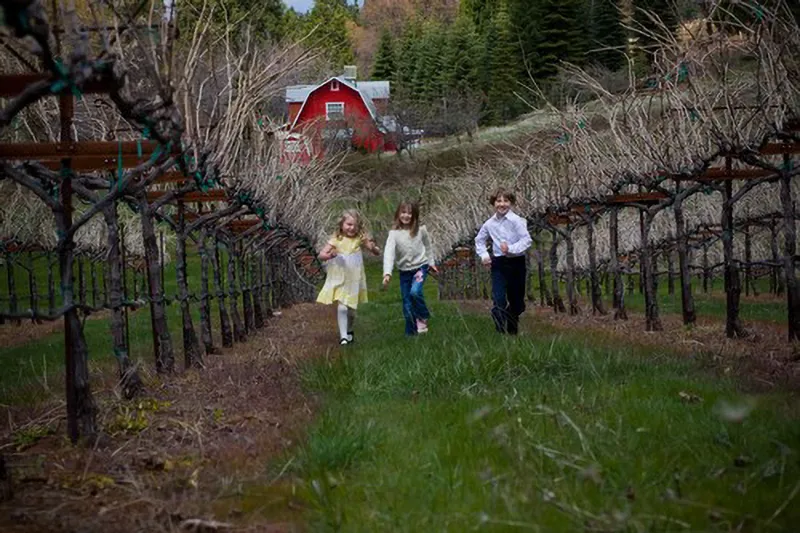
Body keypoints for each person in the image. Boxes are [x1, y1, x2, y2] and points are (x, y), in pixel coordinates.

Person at [317, 210, 380, 345]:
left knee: (351, 311)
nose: (351, 228)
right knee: (342, 307)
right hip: (340, 278)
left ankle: (349, 330)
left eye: (355, 225)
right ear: (342, 224)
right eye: (349, 224)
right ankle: (343, 337)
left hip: (354, 279)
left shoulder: (359, 238)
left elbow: (374, 250)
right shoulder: (336, 239)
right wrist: (330, 255)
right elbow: (321, 255)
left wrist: (374, 248)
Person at [474, 188, 532, 335]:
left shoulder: (517, 221)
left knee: (517, 302)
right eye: (498, 201)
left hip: (516, 263)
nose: (502, 204)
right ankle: (500, 331)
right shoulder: (489, 224)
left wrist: (511, 248)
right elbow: (479, 240)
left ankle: (512, 330)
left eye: (506, 201)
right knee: (498, 298)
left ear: (511, 203)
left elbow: (526, 240)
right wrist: (484, 256)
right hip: (499, 263)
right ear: (493, 203)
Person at [382, 201, 438, 336]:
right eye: (403, 212)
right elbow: (389, 253)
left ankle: (422, 315)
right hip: (404, 272)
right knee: (407, 304)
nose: (406, 216)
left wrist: (431, 263)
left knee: (415, 292)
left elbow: (428, 247)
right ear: (398, 214)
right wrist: (387, 273)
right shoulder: (394, 234)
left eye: (410, 213)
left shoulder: (421, 230)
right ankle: (411, 333)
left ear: (415, 215)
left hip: (420, 267)